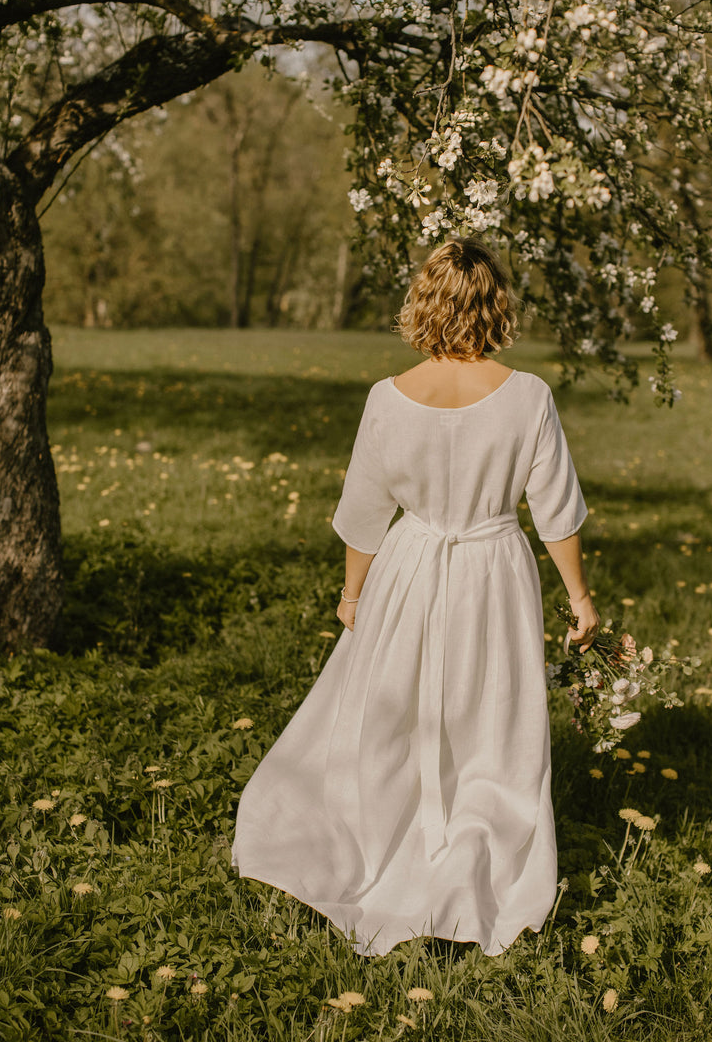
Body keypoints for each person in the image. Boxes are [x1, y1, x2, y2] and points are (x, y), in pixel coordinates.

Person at [232, 236, 599, 957]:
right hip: (494, 569)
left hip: (409, 567)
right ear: (497, 304)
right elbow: (555, 510)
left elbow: (364, 509)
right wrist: (581, 598)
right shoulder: (527, 396)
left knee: (392, 710)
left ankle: (380, 838)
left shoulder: (387, 399)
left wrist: (352, 593)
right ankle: (478, 853)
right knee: (489, 717)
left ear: (423, 303)